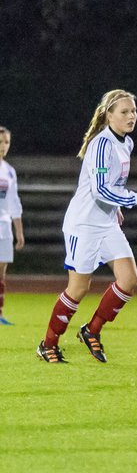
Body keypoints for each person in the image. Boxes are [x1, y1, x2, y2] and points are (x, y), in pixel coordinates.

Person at [38, 90, 137, 363]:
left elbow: (112, 187)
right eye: (124, 112)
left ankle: (91, 330)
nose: (131, 116)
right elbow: (101, 189)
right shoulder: (101, 145)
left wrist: (116, 209)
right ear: (109, 115)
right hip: (84, 225)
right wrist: (136, 199)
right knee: (79, 289)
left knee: (129, 280)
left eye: (133, 111)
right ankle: (48, 344)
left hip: (106, 223)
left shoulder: (126, 143)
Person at [0, 126, 25, 326]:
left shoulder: (9, 171)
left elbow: (13, 201)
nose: (3, 146)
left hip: (4, 226)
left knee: (1, 272)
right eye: (0, 142)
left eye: (6, 142)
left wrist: (19, 231)